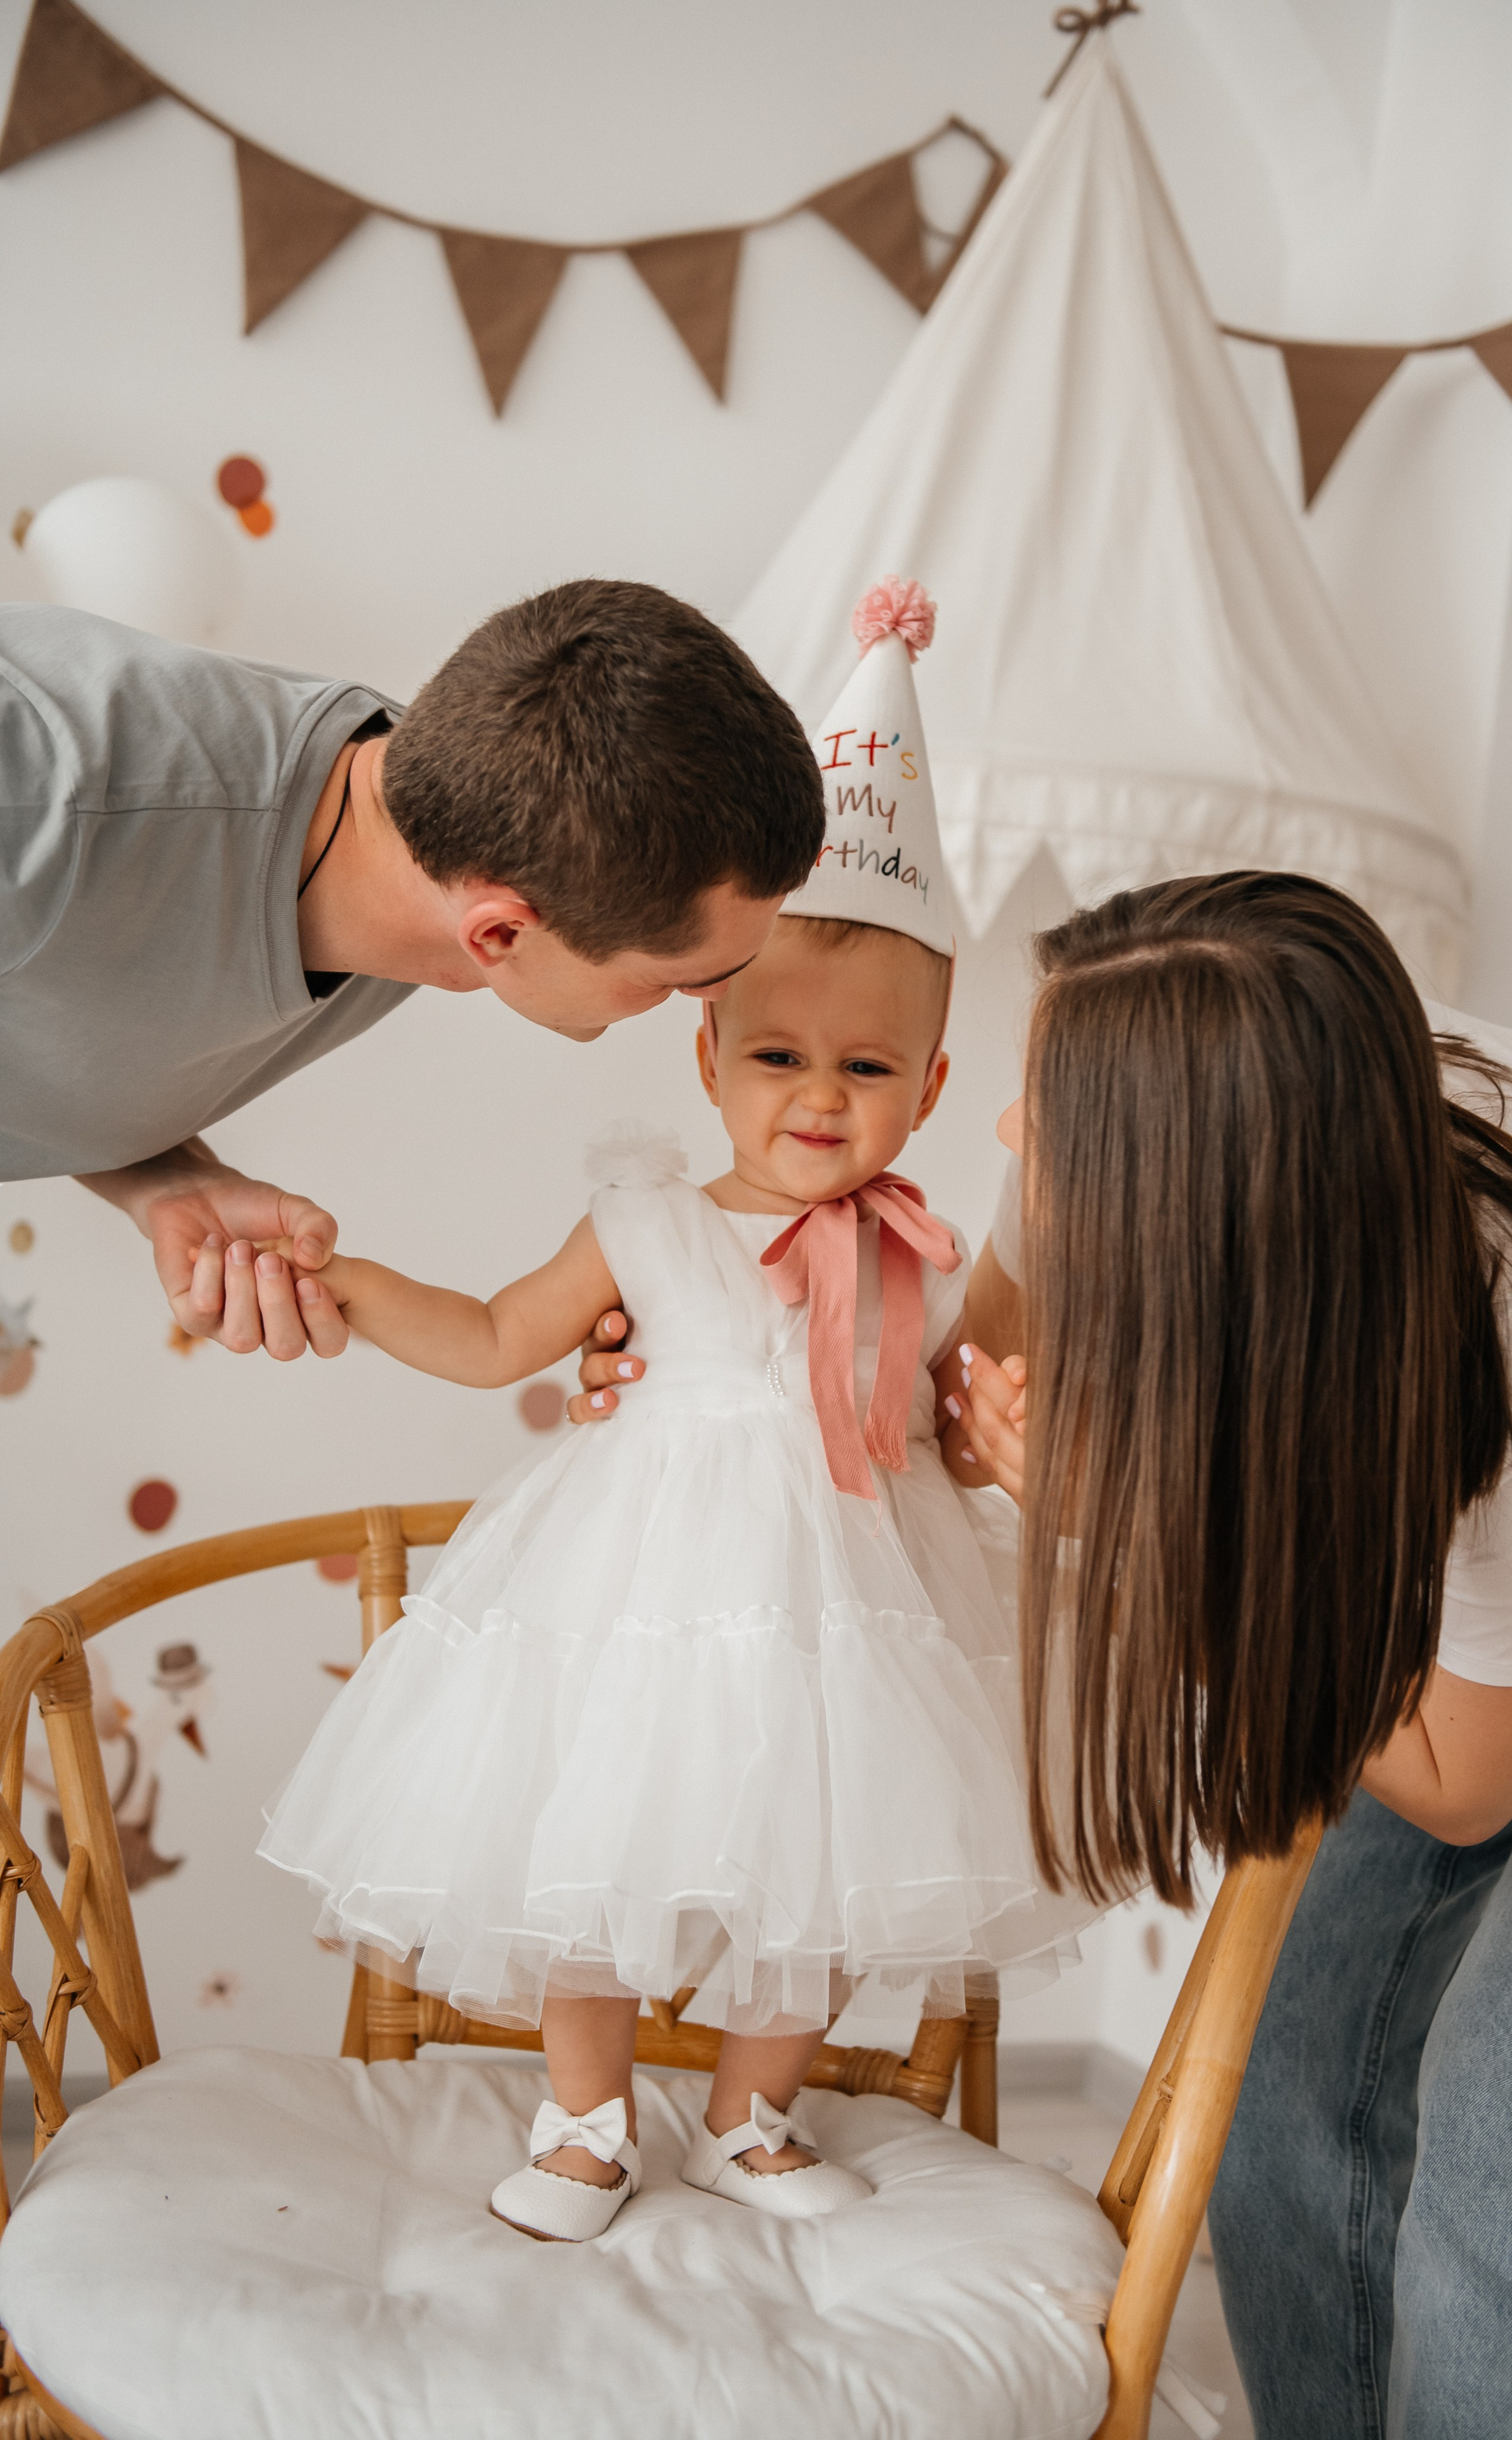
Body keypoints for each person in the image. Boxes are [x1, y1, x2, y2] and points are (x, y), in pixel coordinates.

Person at [252, 592, 1097, 2242]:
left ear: (929, 1091)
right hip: (639, 1602)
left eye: (867, 1071)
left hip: (853, 1623)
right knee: (596, 1859)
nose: (817, 1098)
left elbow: (941, 1430)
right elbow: (496, 1335)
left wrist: (1011, 1428)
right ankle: (582, 2123)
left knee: (819, 1883)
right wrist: (341, 1280)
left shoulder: (926, 1262)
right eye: (776, 1056)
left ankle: (748, 2117)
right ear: (705, 1056)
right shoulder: (648, 1224)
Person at [952, 871, 1512, 2440]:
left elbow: (1463, 1782)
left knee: (1511, 2102)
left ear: (1190, 1189)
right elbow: (961, 1361)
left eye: (1041, 1113)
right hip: (1499, 1623)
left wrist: (1125, 1534)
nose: (1006, 1130)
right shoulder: (1171, 1096)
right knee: (1285, 2085)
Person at [0, 582, 824, 1356]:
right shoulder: (38, 805)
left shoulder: (453, 818)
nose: (718, 997)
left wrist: (159, 1175)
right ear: (500, 934)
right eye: (680, 977)